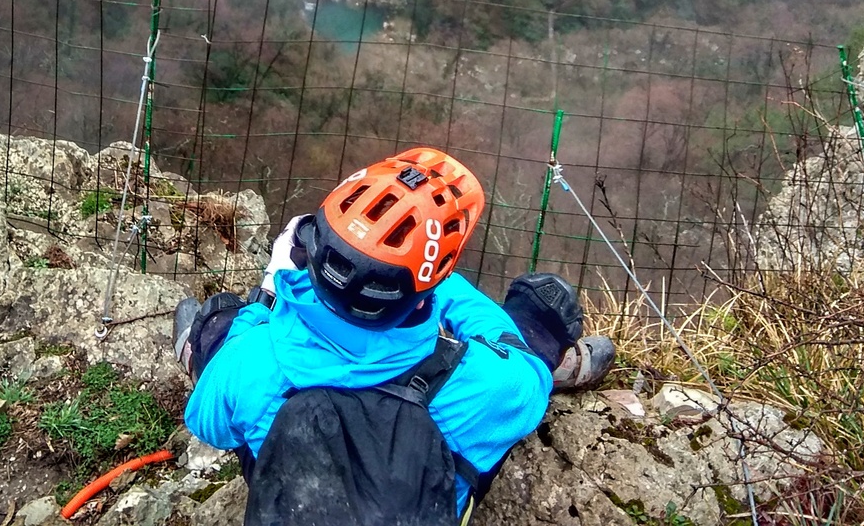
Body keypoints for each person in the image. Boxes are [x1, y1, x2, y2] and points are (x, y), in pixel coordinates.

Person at [173, 147, 616, 525]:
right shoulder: (490, 385)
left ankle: (198, 345)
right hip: (436, 444)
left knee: (220, 321)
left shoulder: (250, 362)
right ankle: (566, 361)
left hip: (287, 468)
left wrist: (268, 296)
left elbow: (207, 422)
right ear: (429, 288)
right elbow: (520, 361)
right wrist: (442, 286)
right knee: (540, 313)